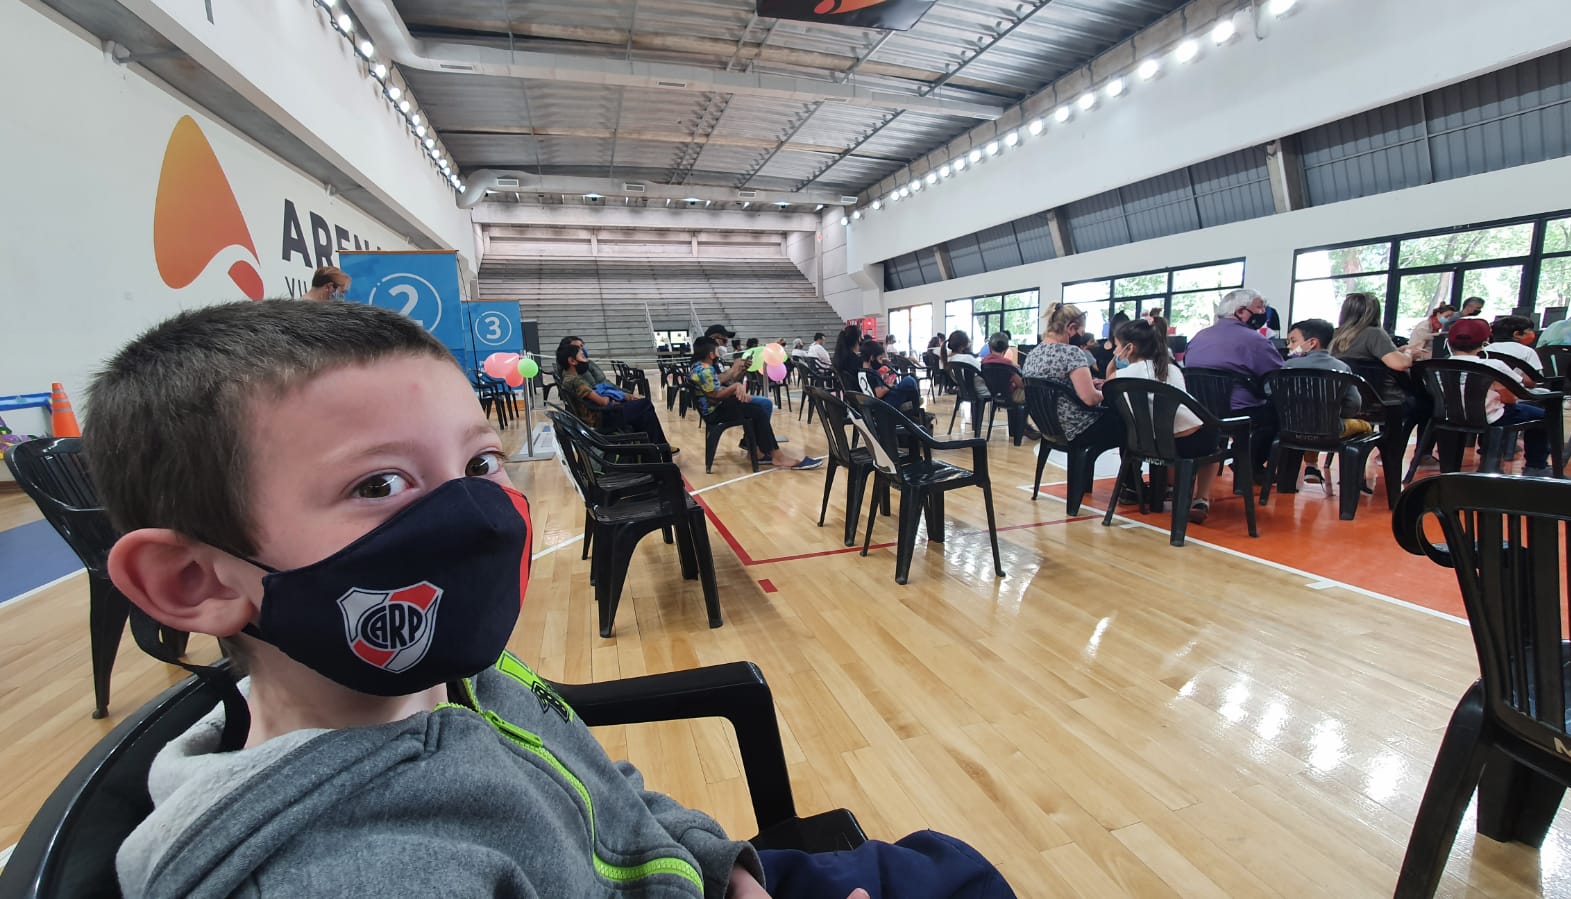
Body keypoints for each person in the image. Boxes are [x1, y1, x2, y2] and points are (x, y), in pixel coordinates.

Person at [89, 300, 1006, 898]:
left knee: (953, 867)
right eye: (379, 484)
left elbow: (610, 797)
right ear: (195, 582)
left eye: (479, 463)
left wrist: (722, 866)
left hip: (686, 875)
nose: (474, 514)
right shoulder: (351, 875)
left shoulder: (461, 672)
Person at [1105, 315, 1218, 522]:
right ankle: (1201, 499)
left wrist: (1111, 366)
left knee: (1169, 439)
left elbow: (1107, 386)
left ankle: (1171, 488)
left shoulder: (1120, 378)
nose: (1115, 351)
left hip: (1142, 444)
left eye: (1117, 346)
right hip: (1186, 443)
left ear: (1129, 348)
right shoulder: (1171, 369)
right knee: (1212, 441)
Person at [1181, 288, 1284, 474]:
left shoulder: (1199, 337)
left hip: (1200, 410)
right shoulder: (1255, 340)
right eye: (1260, 308)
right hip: (1239, 412)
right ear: (1241, 311)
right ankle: (1251, 465)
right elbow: (1278, 375)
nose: (1264, 313)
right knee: (1279, 413)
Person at [1329, 292, 1434, 465]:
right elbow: (1400, 364)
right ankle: (1409, 454)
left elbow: (1363, 359)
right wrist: (1409, 353)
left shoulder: (1334, 335)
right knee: (1427, 405)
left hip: (1345, 401)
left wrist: (1398, 351)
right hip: (1379, 403)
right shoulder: (1374, 334)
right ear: (1374, 312)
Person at [688, 336, 819, 470]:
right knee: (758, 412)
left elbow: (716, 384)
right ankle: (776, 456)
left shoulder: (698, 367)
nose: (718, 352)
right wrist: (735, 386)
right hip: (715, 411)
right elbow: (714, 397)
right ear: (711, 354)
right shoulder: (705, 370)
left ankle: (759, 450)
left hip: (717, 407)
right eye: (716, 350)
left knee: (757, 409)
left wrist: (737, 376)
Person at [1447, 317, 1552, 477]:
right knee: (1541, 415)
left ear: (1449, 342)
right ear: (1484, 341)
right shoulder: (1494, 365)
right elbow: (1511, 398)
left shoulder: (1437, 365)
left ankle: (1484, 457)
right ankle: (1536, 466)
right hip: (1491, 417)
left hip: (1450, 417)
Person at [1282, 318, 1373, 487]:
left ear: (1312, 343)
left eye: (1293, 341)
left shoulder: (1288, 366)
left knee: (1312, 421)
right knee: (1366, 426)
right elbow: (1354, 404)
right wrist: (1338, 413)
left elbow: (1270, 392)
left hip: (1290, 428)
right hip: (1331, 428)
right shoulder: (1341, 368)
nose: (1289, 346)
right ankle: (1355, 480)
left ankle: (1311, 466)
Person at [1022, 303, 1120, 455]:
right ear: (1071, 328)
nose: (1082, 336)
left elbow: (1056, 384)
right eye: (1082, 332)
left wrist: (1087, 384)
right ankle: (1131, 471)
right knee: (1127, 425)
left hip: (1047, 427)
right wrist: (1108, 391)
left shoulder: (1033, 354)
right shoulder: (1071, 352)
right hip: (1077, 428)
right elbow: (1090, 399)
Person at [556, 343, 675, 452]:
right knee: (645, 404)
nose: (586, 360)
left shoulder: (568, 379)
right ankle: (660, 447)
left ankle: (654, 448)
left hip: (601, 413)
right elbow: (602, 401)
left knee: (644, 414)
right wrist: (609, 397)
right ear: (572, 361)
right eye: (583, 357)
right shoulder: (575, 381)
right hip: (603, 418)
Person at [944, 330, 990, 402]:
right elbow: (984, 373)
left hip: (963, 391)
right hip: (980, 390)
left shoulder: (949, 359)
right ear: (963, 345)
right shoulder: (967, 358)